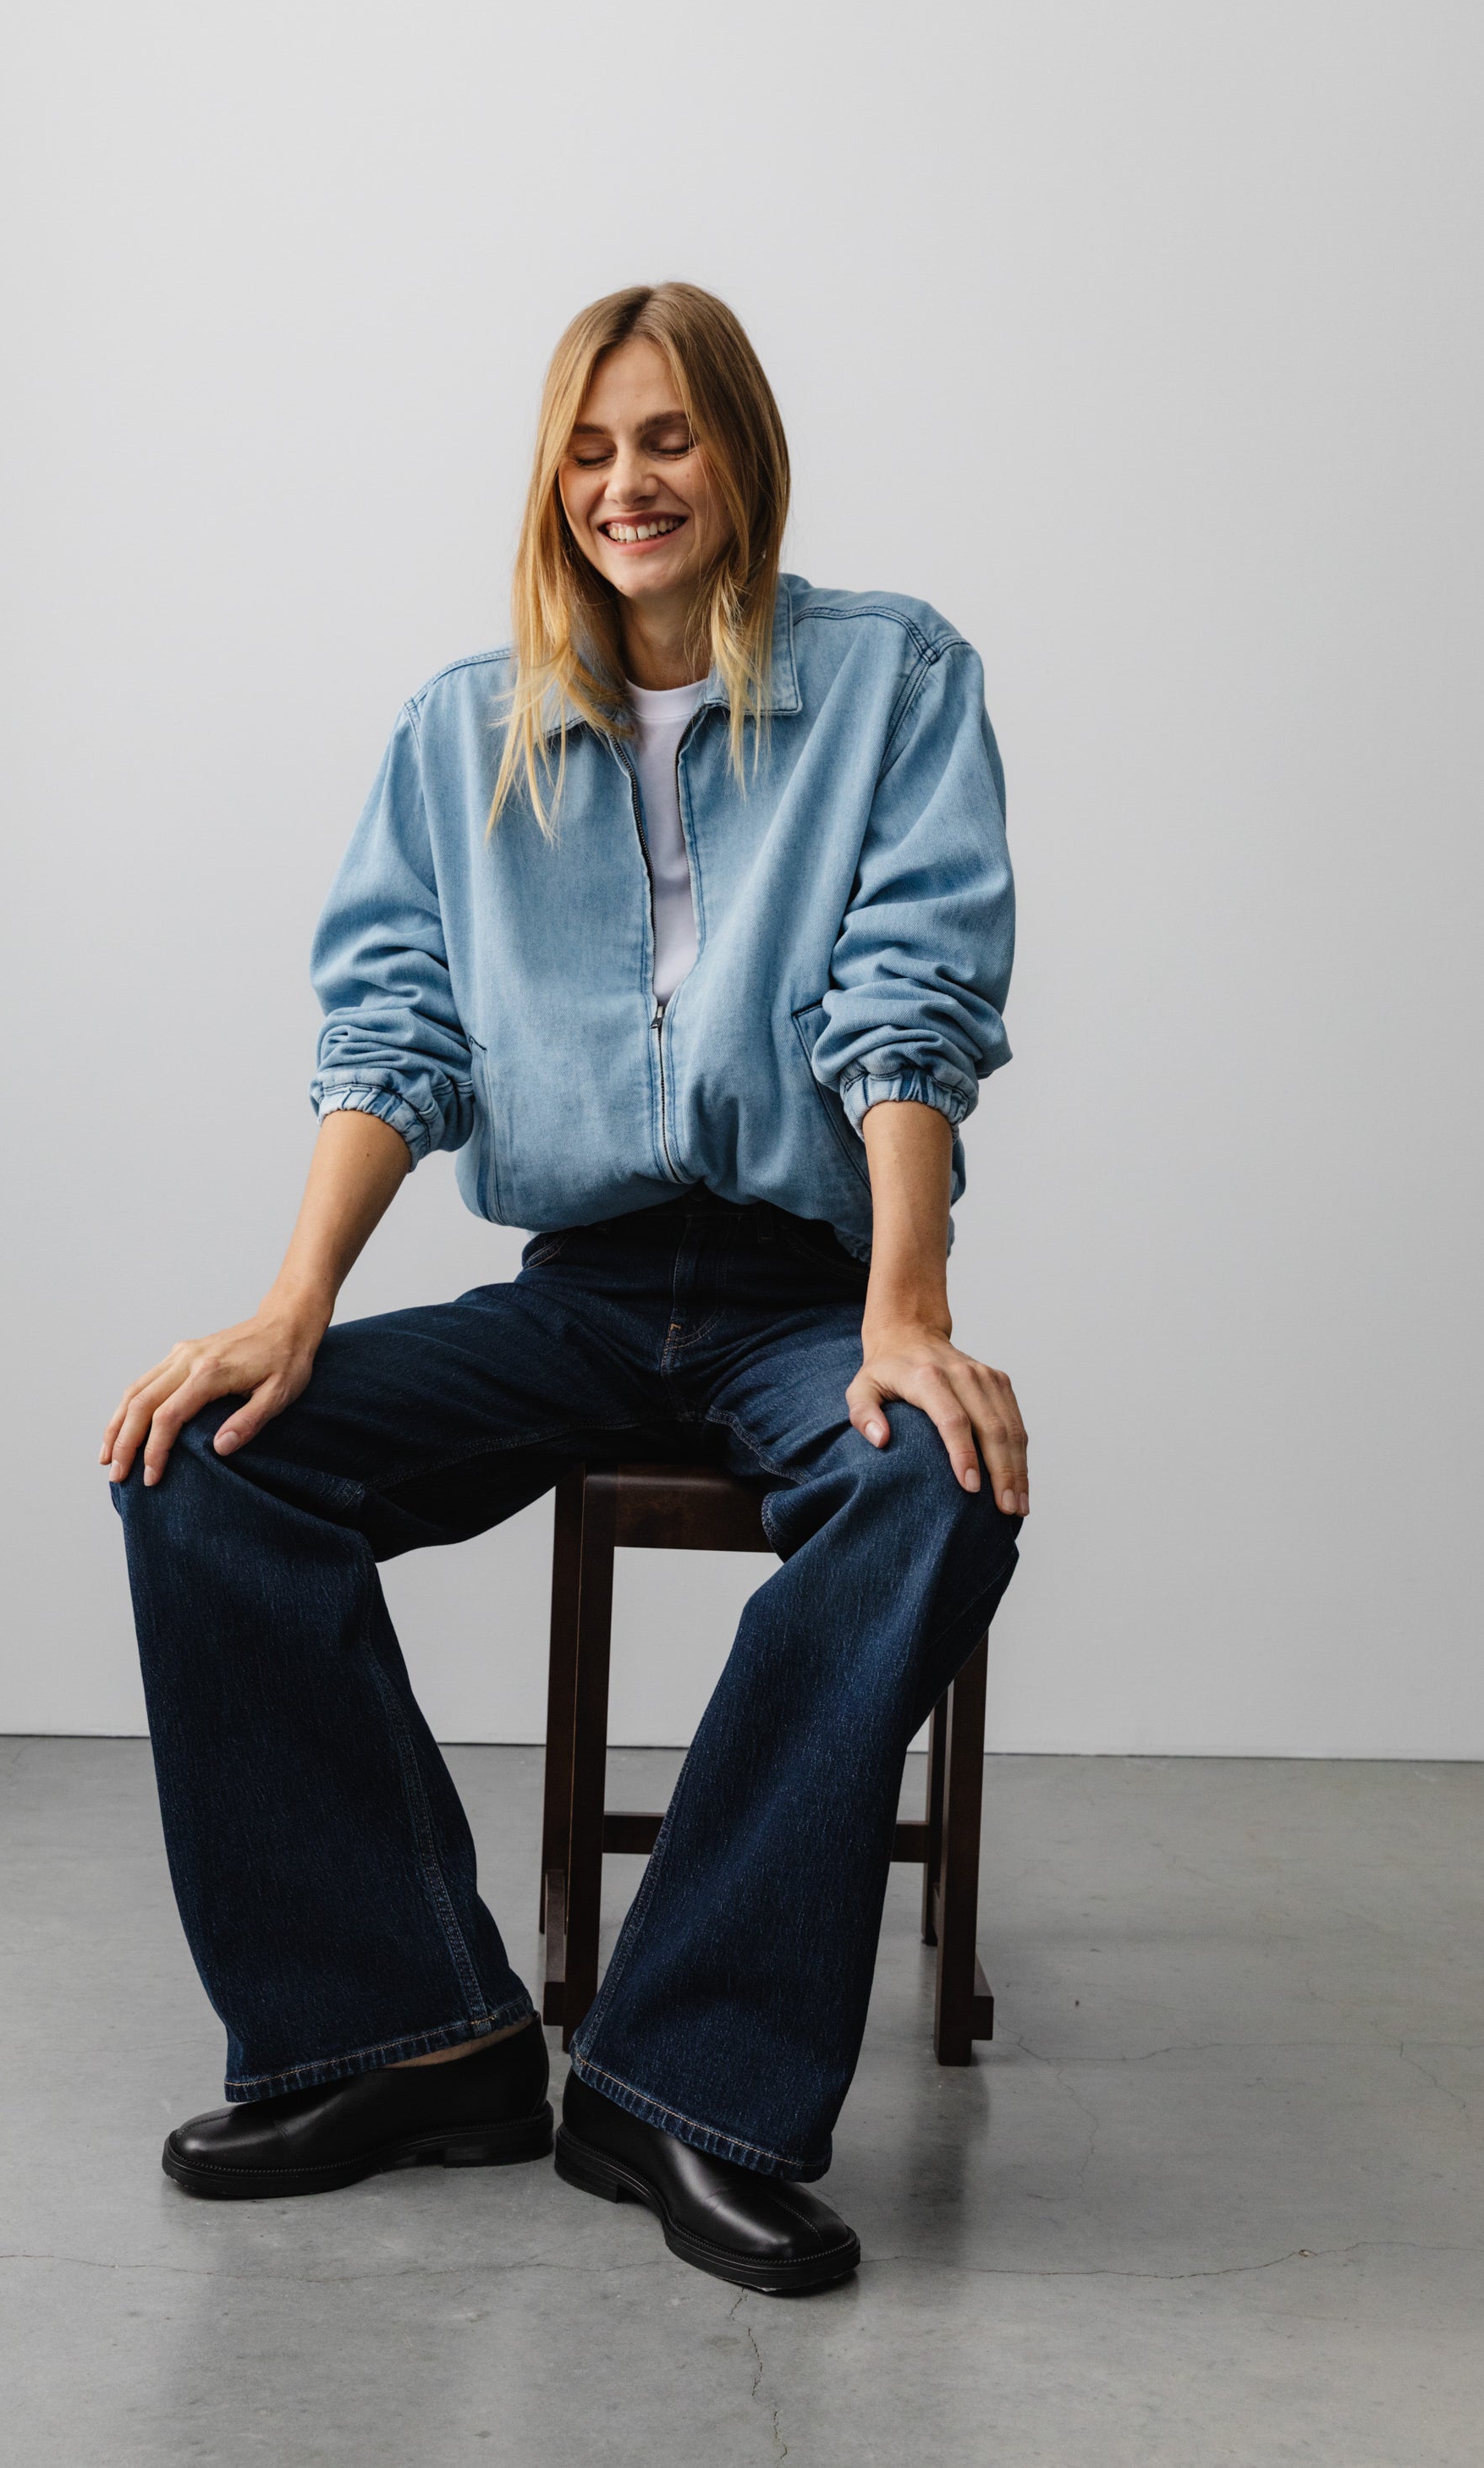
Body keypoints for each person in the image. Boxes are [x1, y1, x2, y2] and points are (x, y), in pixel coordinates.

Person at [103, 283, 1026, 2296]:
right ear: (552, 479)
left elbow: (912, 1002)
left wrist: (905, 1307)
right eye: (591, 449)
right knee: (204, 1457)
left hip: (801, 1289)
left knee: (930, 1482)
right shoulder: (464, 728)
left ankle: (678, 2086)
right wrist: (292, 1304)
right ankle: (408, 2036)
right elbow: (397, 1030)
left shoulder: (893, 678)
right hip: (583, 1288)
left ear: (742, 452)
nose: (628, 483)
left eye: (667, 437)